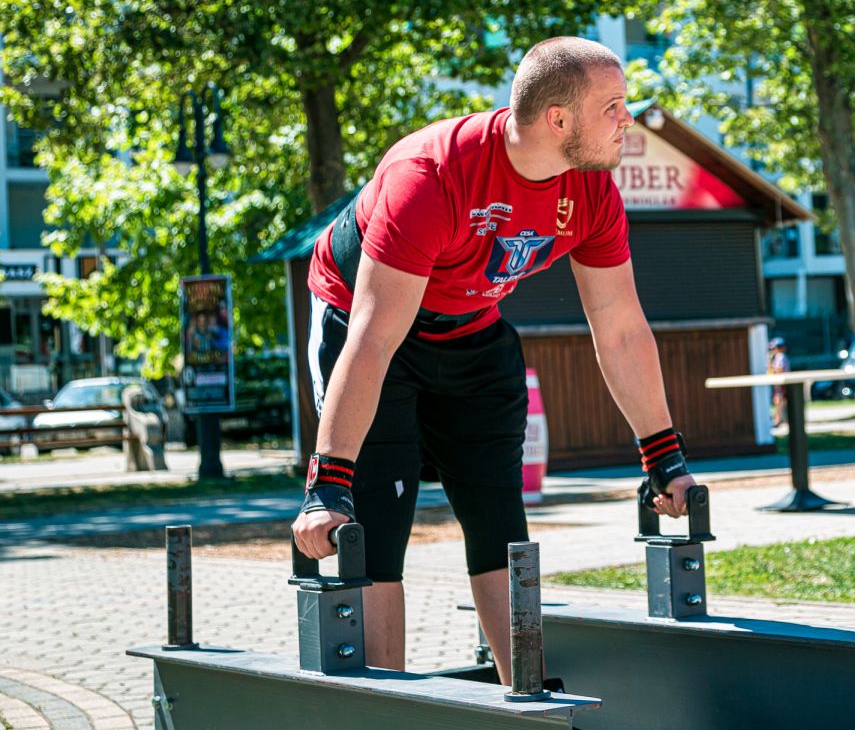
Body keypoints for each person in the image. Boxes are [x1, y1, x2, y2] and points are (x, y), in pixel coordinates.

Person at [291, 37, 698, 677]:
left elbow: (620, 328)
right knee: (371, 531)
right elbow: (373, 337)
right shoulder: (429, 176)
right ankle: (387, 709)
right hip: (367, 324)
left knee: (500, 524)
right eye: (613, 107)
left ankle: (528, 702)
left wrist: (663, 458)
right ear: (558, 120)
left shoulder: (591, 191)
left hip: (471, 331)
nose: (629, 120)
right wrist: (326, 485)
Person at [767, 336, 790, 428]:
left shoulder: (781, 356)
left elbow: (781, 369)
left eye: (774, 348)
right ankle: (779, 418)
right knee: (779, 401)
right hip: (779, 383)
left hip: (781, 383)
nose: (772, 350)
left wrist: (771, 367)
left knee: (779, 401)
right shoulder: (778, 357)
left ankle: (778, 420)